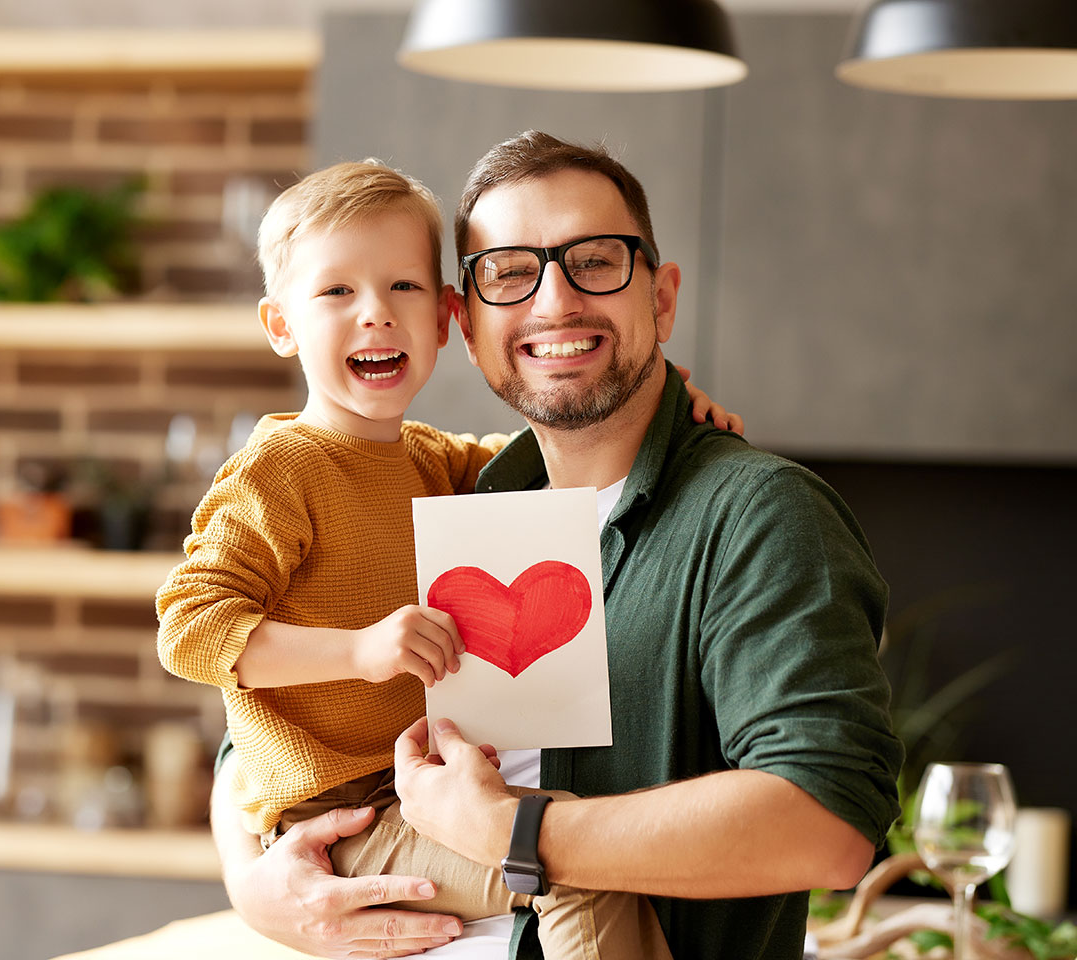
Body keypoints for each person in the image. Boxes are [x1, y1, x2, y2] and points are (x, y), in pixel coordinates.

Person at [209, 132, 904, 960]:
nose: (555, 303)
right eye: (510, 272)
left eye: (597, 262)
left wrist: (517, 829)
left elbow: (827, 826)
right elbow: (262, 714)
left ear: (662, 298)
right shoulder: (457, 494)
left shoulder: (756, 515)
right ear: (461, 322)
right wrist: (253, 882)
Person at [157, 159, 737, 959]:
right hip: (346, 818)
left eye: (404, 288)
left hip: (417, 790)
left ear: (445, 322)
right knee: (567, 863)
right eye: (336, 293)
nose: (376, 317)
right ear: (280, 324)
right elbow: (190, 628)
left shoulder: (435, 463)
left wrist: (668, 396)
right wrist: (360, 652)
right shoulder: (278, 471)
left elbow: (573, 445)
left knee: (573, 843)